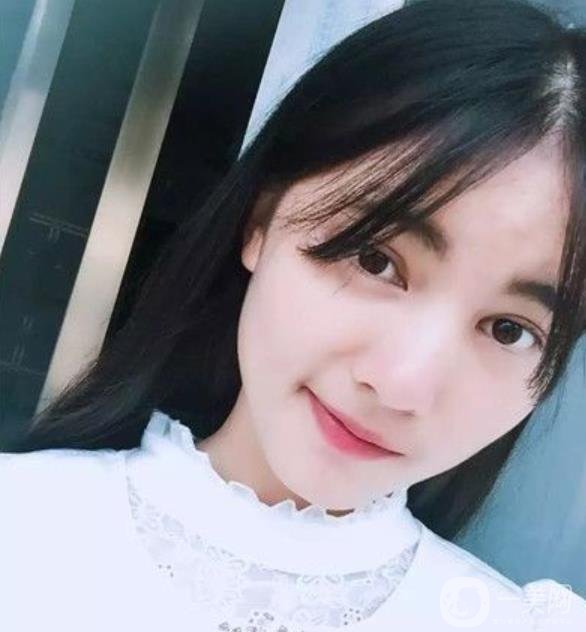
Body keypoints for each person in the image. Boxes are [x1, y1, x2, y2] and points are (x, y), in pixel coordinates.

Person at [2, 0, 586, 630]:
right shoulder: (23, 526)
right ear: (260, 220)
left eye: (509, 330)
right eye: (375, 259)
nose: (402, 384)